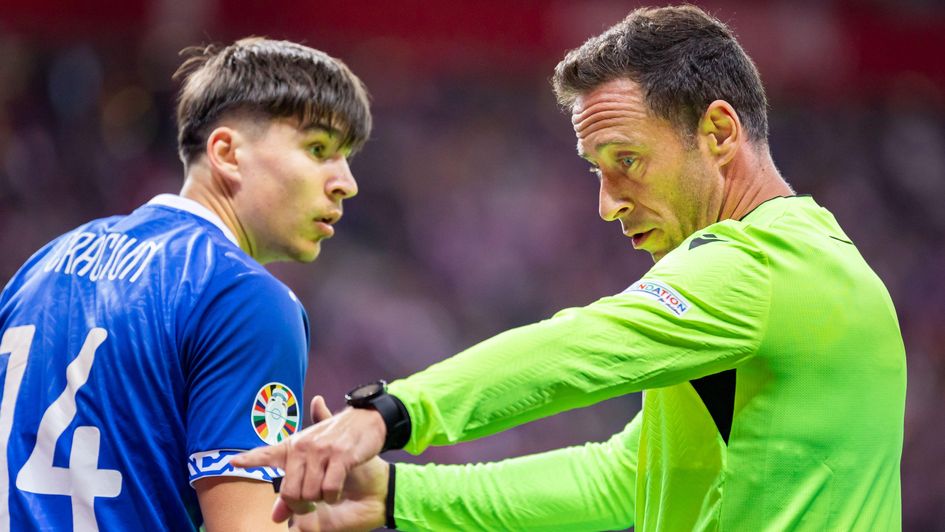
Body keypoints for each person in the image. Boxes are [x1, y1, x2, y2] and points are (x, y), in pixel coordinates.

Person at [235, 5, 907, 531]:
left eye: (628, 162)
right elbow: (620, 479)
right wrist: (400, 494)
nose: (608, 204)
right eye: (596, 170)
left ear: (720, 133)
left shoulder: (758, 267)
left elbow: (581, 346)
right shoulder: (822, 263)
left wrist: (389, 412)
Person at [0, 37, 370, 530]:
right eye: (318, 148)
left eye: (346, 156)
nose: (345, 181)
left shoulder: (45, 263)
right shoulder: (246, 301)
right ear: (227, 152)